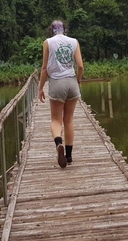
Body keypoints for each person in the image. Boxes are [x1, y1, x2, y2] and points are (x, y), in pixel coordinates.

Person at [37, 19, 84, 168]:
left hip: (57, 83)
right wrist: (78, 80)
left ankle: (59, 144)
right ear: (65, 29)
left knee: (56, 120)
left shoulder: (48, 42)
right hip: (72, 82)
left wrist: (40, 88)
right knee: (68, 120)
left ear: (52, 30)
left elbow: (44, 69)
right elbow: (80, 66)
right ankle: (69, 157)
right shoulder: (74, 42)